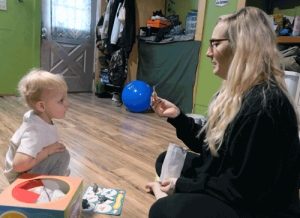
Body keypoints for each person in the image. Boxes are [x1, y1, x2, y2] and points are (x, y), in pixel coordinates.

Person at [145, 7, 300, 218]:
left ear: (242, 48)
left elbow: (243, 190)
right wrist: (178, 118)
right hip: (234, 181)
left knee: (162, 210)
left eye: (215, 44)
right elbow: (211, 147)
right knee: (166, 160)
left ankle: (164, 196)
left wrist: (183, 186)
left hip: (258, 207)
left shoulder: (264, 106)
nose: (208, 52)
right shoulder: (234, 92)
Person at [4, 69, 71, 184]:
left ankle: (49, 186)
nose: (67, 104)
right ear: (41, 106)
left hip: (25, 172)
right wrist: (47, 152)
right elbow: (18, 165)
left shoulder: (39, 118)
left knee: (63, 166)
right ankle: (50, 193)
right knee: (62, 156)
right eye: (61, 100)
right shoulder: (35, 131)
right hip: (19, 179)